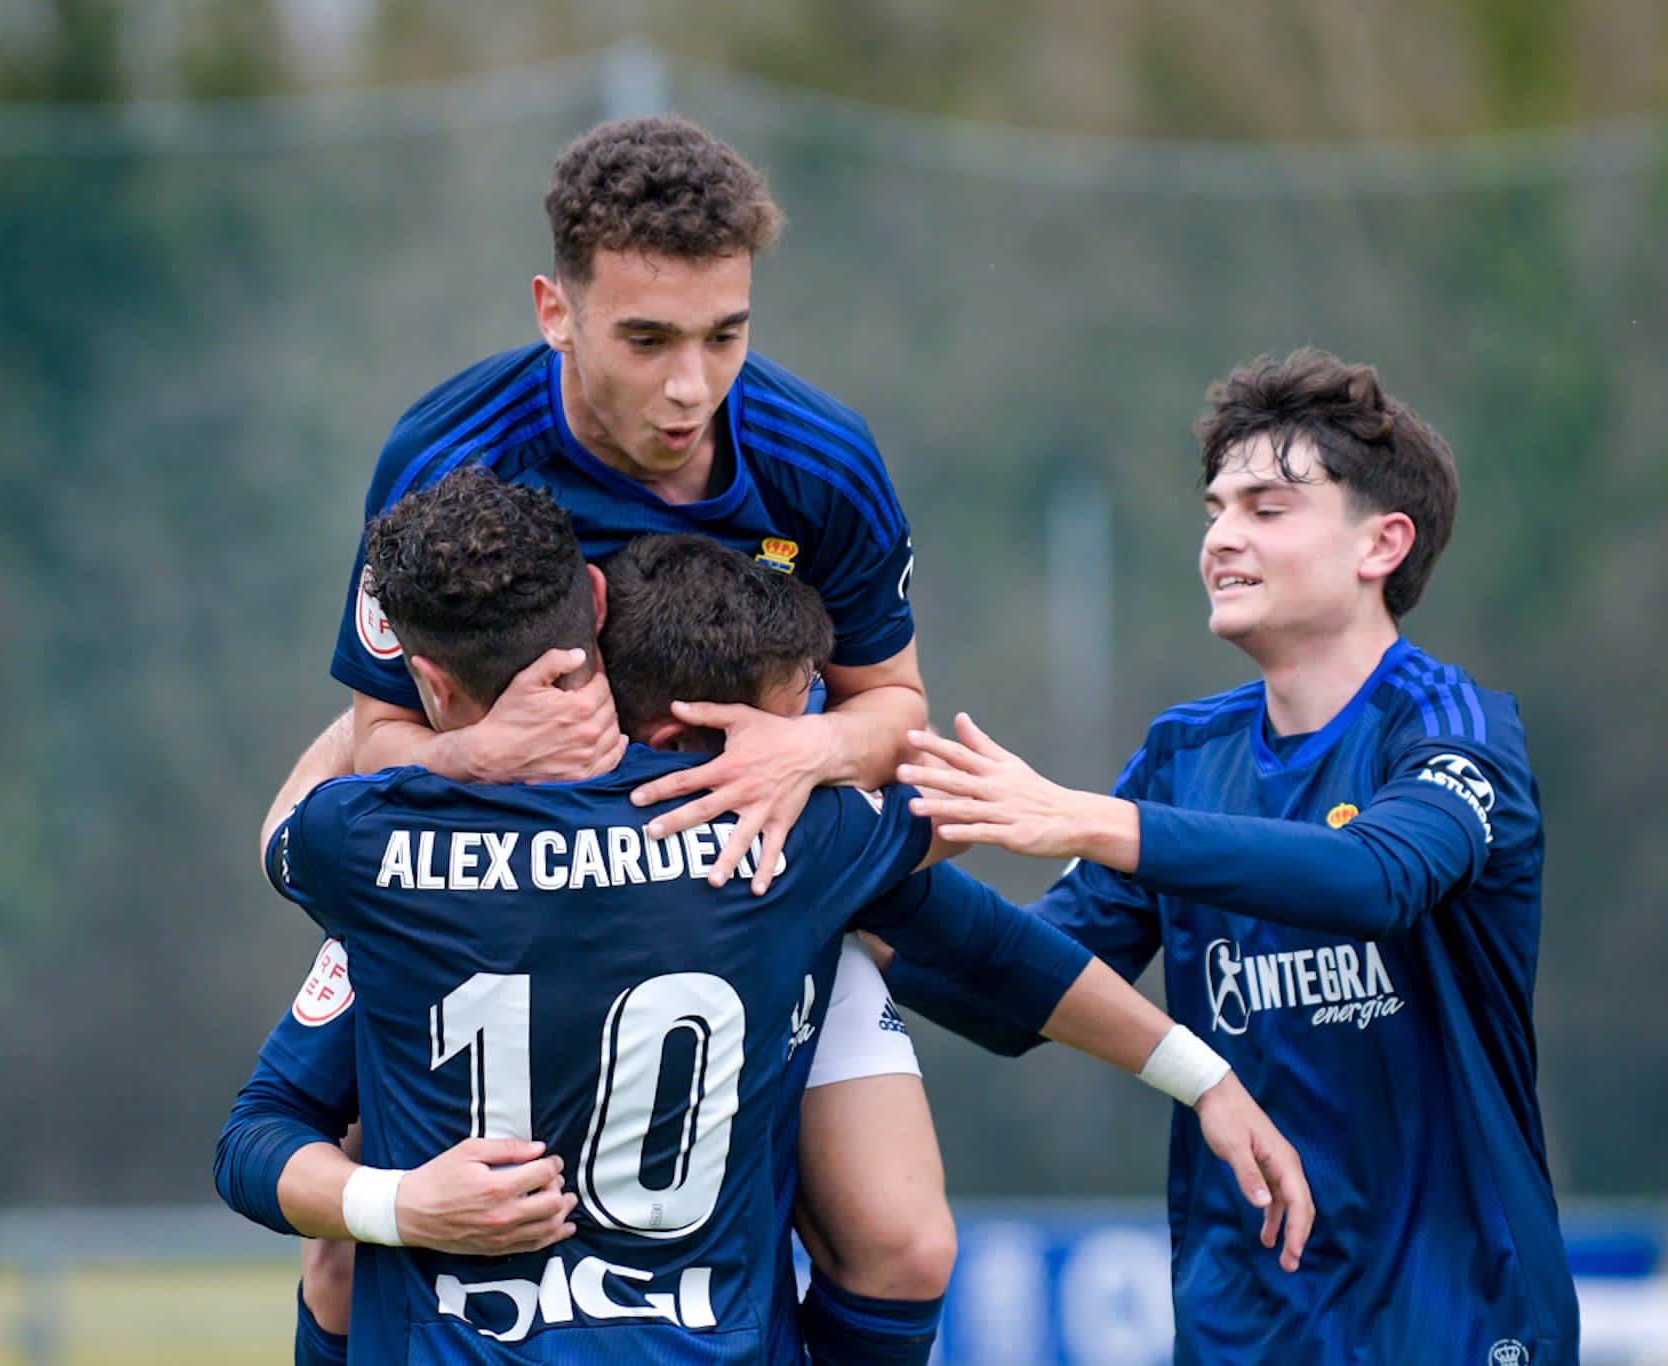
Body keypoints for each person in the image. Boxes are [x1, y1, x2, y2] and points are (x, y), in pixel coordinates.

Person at [216, 470, 1311, 1362]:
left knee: (338, 1252)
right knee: (901, 1242)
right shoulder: (784, 837)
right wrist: (1200, 1074)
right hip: (712, 1335)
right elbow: (981, 937)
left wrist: (401, 1206)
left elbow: (254, 1131)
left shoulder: (364, 848)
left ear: (422, 678)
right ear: (592, 617)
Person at [302, 113, 949, 1362]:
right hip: (493, 909)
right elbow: (375, 737)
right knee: (345, 1255)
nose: (690, 386)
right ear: (556, 309)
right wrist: (473, 763)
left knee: (902, 1236)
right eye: (645, 339)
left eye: (726, 335)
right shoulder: (444, 458)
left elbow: (896, 709)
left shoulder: (819, 462)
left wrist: (801, 753)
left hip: (743, 888)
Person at [878, 349, 1579, 1364]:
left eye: (1266, 507)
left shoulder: (1453, 728)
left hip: (1458, 1317)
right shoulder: (1182, 755)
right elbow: (1016, 991)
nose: (1219, 538)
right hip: (1242, 1326)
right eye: (1213, 509)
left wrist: (1084, 820)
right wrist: (865, 897)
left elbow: (1372, 878)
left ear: (1381, 542)